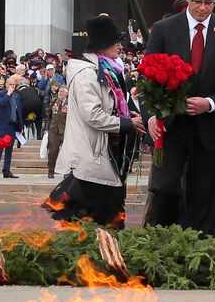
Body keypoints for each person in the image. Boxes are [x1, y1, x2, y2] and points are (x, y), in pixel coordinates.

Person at [144, 0, 215, 235]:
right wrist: (151, 117)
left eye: (209, 3)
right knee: (165, 188)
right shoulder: (163, 29)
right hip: (171, 127)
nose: (203, 8)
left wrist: (210, 103)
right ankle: (163, 243)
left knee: (205, 197)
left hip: (211, 128)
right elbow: (146, 78)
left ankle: (201, 253)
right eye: (198, 1)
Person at [45, 14, 144, 227]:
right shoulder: (86, 74)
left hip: (104, 157)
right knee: (91, 224)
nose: (120, 47)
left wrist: (127, 116)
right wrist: (126, 124)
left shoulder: (106, 71)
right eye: (116, 42)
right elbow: (92, 116)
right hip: (90, 159)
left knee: (107, 221)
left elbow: (112, 106)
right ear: (102, 46)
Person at [0, 76, 23, 179]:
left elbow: (19, 112)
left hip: (12, 125)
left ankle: (6, 171)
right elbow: (0, 104)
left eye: (14, 85)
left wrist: (20, 126)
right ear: (6, 85)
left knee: (9, 150)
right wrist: (8, 94)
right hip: (2, 126)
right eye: (10, 84)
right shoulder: (1, 94)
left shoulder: (17, 96)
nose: (12, 87)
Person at [45, 82, 68, 178]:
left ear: (67, 93)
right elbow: (49, 116)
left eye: (62, 91)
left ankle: (67, 171)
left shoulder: (70, 103)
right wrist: (47, 128)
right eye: (59, 91)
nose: (60, 93)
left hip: (66, 130)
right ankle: (51, 170)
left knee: (67, 152)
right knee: (53, 151)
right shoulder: (54, 101)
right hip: (54, 130)